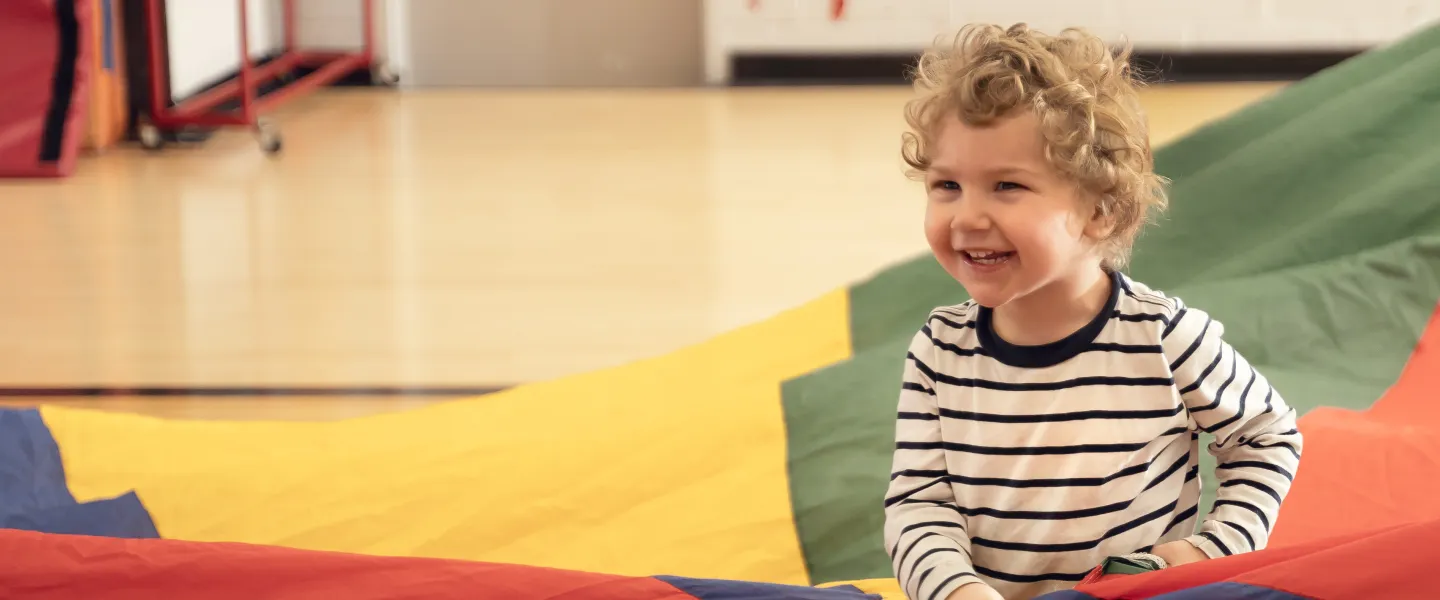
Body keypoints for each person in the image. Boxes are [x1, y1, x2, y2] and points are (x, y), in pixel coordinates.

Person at [881, 23, 1303, 600]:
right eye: (947, 185)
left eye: (1006, 185)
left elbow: (1266, 436)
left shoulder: (1162, 338)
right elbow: (919, 503)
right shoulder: (939, 350)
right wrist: (955, 590)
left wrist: (1213, 547)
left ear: (1100, 212)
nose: (967, 217)